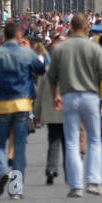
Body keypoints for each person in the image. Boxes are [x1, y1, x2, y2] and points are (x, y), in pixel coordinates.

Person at [0, 20, 48, 199]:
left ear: (4, 36)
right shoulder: (26, 53)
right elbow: (41, 69)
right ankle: (16, 189)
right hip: (22, 104)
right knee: (18, 148)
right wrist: (37, 53)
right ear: (19, 36)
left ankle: (2, 171)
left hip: (0, 105)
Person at [46, 13, 102, 198]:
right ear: (85, 28)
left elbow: (51, 78)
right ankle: (93, 181)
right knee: (93, 140)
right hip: (90, 96)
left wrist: (55, 96)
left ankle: (76, 186)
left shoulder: (60, 49)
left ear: (71, 27)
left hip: (68, 97)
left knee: (72, 142)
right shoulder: (94, 47)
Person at [33, 41, 65, 186]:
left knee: (53, 140)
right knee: (69, 143)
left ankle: (51, 169)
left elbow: (39, 95)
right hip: (67, 110)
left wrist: (37, 113)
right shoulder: (70, 69)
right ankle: (70, 172)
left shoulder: (45, 70)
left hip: (51, 111)